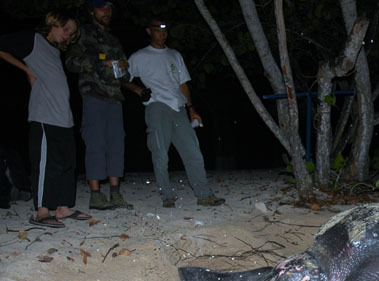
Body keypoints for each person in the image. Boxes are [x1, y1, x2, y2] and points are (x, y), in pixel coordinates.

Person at [0, 10, 92, 228]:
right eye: (66, 29)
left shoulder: (53, 50)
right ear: (54, 23)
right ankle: (42, 211)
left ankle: (62, 207)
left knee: (67, 164)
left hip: (64, 118)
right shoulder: (33, 40)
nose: (68, 35)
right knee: (45, 165)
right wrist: (27, 71)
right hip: (44, 115)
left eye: (72, 33)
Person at [123, 19, 224, 208]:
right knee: (161, 153)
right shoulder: (140, 56)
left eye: (164, 31)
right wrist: (138, 90)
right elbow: (123, 77)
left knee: (194, 152)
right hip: (156, 106)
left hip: (178, 108)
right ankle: (167, 195)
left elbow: (183, 84)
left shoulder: (174, 55)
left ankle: (204, 194)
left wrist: (191, 109)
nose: (162, 34)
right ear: (149, 31)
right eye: (157, 31)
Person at [65, 0, 132, 210]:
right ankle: (96, 195)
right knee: (95, 143)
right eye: (101, 7)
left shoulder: (114, 40)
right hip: (93, 95)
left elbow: (125, 74)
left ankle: (115, 193)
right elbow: (70, 62)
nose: (106, 11)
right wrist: (98, 63)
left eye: (110, 8)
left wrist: (122, 67)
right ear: (91, 11)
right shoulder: (82, 34)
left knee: (116, 143)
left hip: (115, 97)